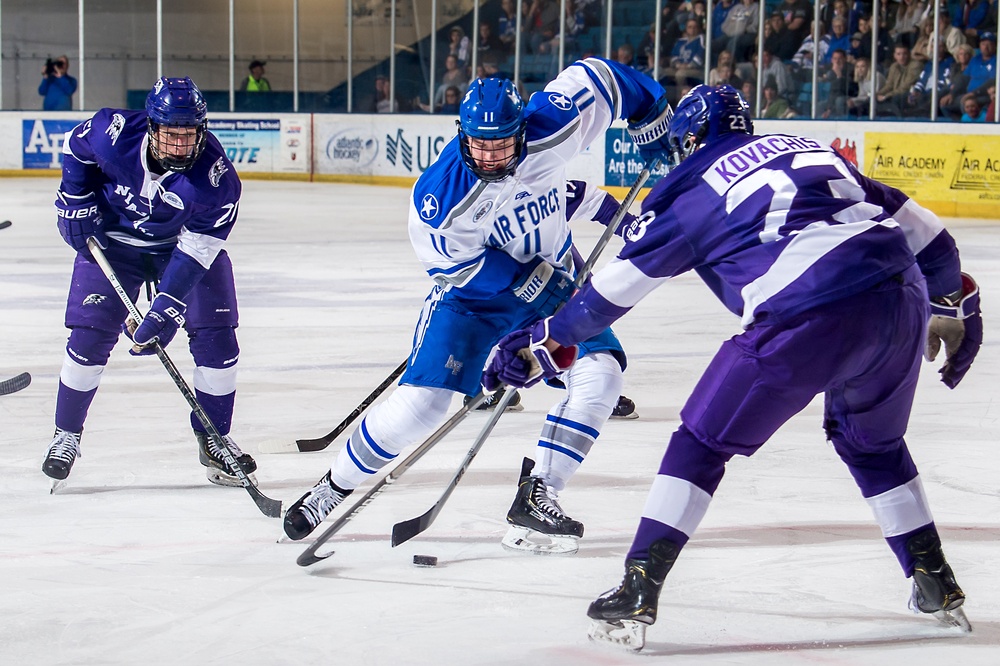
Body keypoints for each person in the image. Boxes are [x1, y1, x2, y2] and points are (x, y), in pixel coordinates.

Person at [484, 84, 980, 650]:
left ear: (690, 139)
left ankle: (639, 585)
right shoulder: (805, 148)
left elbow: (610, 294)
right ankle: (933, 576)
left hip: (805, 310)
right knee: (874, 447)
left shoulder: (691, 187)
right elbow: (930, 234)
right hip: (901, 298)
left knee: (700, 443)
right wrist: (952, 303)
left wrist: (547, 339)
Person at [283, 58, 675, 555]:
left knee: (601, 377)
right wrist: (523, 315)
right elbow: (460, 269)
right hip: (471, 302)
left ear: (521, 131)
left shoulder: (551, 126)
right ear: (462, 134)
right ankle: (330, 488)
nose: (490, 155)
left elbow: (603, 77)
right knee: (422, 407)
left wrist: (651, 116)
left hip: (553, 284)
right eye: (479, 144)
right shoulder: (440, 199)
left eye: (502, 143)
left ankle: (537, 494)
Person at [42, 77, 254, 489]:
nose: (180, 146)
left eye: (189, 136)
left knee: (219, 339)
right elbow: (74, 148)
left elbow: (198, 249)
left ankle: (215, 437)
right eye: (171, 135)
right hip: (113, 244)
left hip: (178, 249)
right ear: (153, 126)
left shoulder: (216, 181)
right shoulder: (113, 134)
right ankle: (66, 434)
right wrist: (74, 198)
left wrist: (166, 305)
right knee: (88, 337)